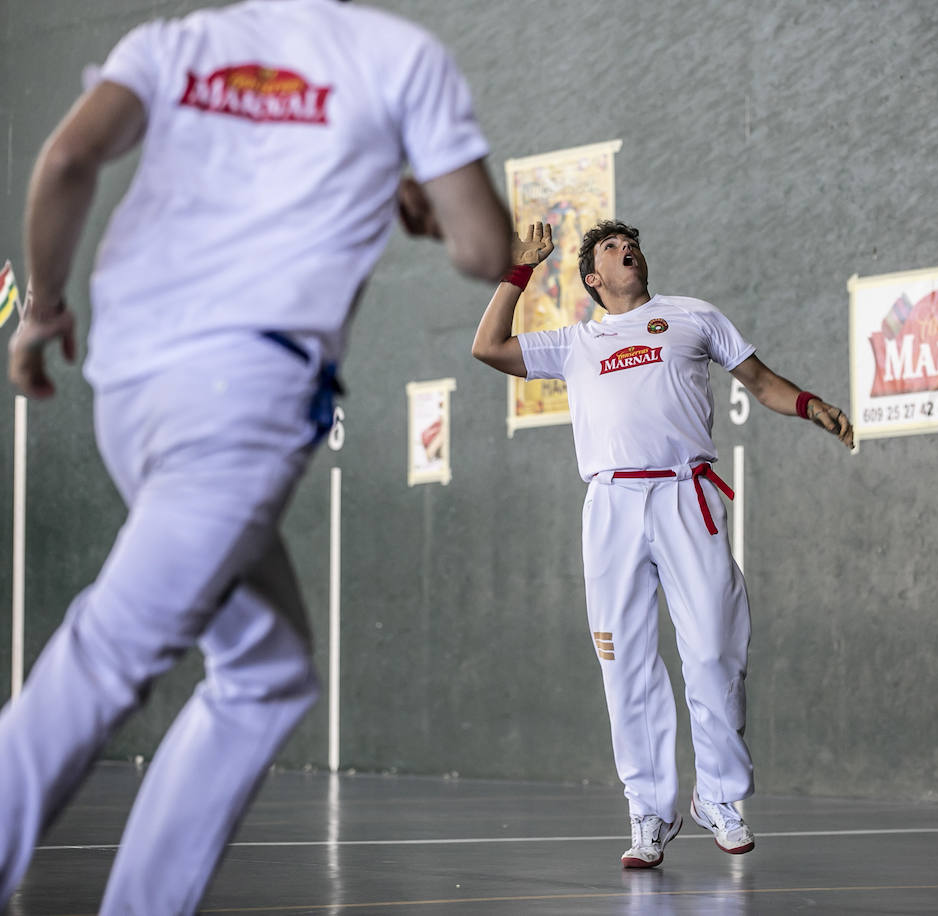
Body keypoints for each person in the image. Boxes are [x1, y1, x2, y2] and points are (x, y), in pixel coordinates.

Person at [0, 1, 511, 910]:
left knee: (267, 672)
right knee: (110, 654)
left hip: (127, 390)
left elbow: (69, 160)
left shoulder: (173, 42)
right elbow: (484, 249)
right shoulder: (399, 56)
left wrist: (42, 308)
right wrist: (429, 205)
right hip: (241, 401)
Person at [472, 220, 853, 869]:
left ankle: (720, 799)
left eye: (633, 245)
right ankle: (649, 810)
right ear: (593, 277)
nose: (630, 252)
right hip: (612, 503)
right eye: (614, 250)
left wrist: (811, 404)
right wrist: (518, 271)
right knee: (627, 664)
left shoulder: (692, 317)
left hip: (686, 495)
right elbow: (489, 346)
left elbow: (761, 382)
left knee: (714, 647)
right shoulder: (575, 343)